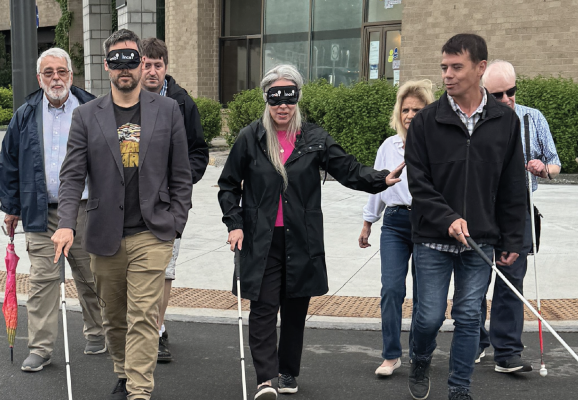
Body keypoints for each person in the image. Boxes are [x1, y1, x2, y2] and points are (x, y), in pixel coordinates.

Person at [219, 64, 404, 400]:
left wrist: (380, 178)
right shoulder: (250, 138)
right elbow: (228, 185)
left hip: (300, 238)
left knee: (294, 309)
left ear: (298, 98)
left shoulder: (314, 137)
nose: (282, 105)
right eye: (275, 97)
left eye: (289, 96)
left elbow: (347, 169)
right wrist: (234, 224)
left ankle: (288, 372)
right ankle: (265, 379)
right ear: (266, 99)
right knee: (262, 308)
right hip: (261, 239)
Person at [51, 29, 193, 400]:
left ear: (142, 62)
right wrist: (65, 224)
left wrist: (176, 220)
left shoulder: (168, 111)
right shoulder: (85, 115)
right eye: (117, 60)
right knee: (113, 319)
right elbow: (71, 176)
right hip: (104, 233)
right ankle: (125, 374)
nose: (125, 67)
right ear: (106, 65)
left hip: (152, 230)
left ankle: (139, 392)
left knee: (144, 316)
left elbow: (181, 173)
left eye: (132, 59)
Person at [403, 33, 527, 400]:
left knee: (470, 316)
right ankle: (421, 358)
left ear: (480, 68)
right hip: (431, 238)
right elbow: (419, 183)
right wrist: (448, 218)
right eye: (444, 67)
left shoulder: (506, 121)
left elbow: (511, 187)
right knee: (428, 317)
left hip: (482, 241)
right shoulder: (426, 121)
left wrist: (511, 239)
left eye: (457, 67)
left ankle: (459, 387)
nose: (448, 75)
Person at [0, 47, 107, 373]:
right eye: (49, 72)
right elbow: (9, 163)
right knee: (43, 281)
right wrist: (12, 207)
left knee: (91, 277)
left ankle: (99, 333)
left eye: (61, 72)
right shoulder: (26, 114)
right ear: (39, 78)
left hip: (87, 210)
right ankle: (40, 348)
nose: (55, 78)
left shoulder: (93, 108)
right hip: (40, 212)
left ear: (72, 76)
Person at [476, 60, 562, 373]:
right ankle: (474, 341)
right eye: (498, 95)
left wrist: (545, 170)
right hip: (483, 209)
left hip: (520, 209)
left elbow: (555, 163)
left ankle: (508, 352)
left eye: (511, 91)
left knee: (512, 280)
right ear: (485, 93)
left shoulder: (532, 118)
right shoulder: (476, 121)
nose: (507, 99)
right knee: (477, 278)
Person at [138, 37, 210, 364]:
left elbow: (199, 152)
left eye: (158, 64)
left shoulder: (182, 103)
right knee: (136, 268)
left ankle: (156, 331)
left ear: (166, 67)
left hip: (169, 204)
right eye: (146, 64)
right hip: (132, 202)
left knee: (165, 270)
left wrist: (180, 185)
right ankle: (142, 328)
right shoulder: (126, 101)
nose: (152, 71)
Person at [359, 79, 435, 377]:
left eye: (417, 110)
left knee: (424, 294)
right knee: (392, 289)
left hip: (428, 224)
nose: (410, 115)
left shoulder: (437, 146)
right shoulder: (389, 147)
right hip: (394, 223)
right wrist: (367, 223)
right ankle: (391, 355)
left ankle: (419, 354)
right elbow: (378, 187)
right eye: (405, 109)